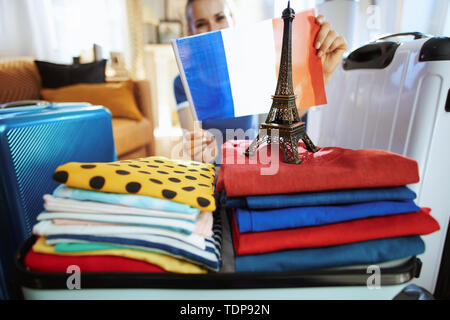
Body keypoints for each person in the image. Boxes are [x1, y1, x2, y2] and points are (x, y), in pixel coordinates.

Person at [174, 0, 347, 163]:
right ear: (190, 32)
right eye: (201, 24)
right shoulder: (183, 82)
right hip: (215, 168)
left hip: (255, 162)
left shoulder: (252, 67)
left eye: (220, 17)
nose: (212, 28)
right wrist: (198, 148)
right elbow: (192, 139)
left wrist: (321, 77)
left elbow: (279, 122)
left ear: (232, 21)